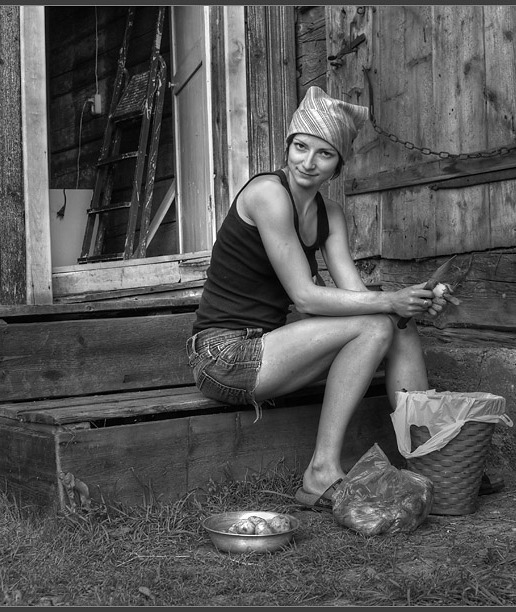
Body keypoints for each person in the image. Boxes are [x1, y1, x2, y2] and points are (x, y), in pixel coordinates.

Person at [186, 86, 457, 511]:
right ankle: (321, 471)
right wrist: (389, 300)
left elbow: (354, 293)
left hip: (276, 347)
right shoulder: (267, 194)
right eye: (300, 147)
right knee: (377, 319)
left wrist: (412, 303)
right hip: (226, 355)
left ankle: (436, 461)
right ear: (288, 146)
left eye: (324, 154)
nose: (307, 163)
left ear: (338, 165)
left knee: (397, 325)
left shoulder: (330, 214)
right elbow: (305, 297)